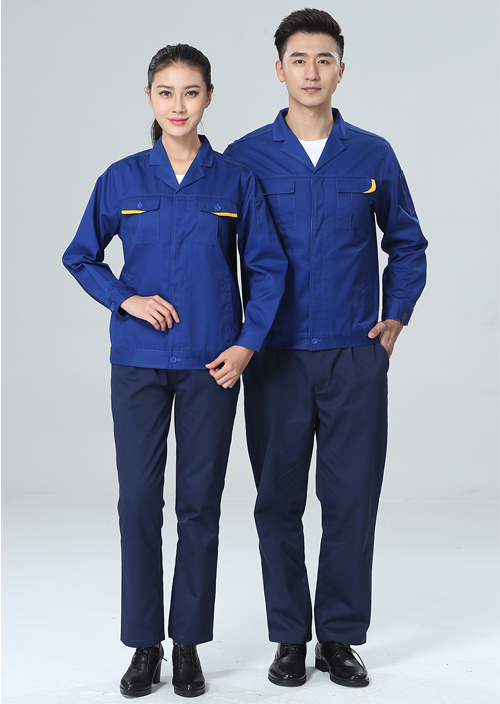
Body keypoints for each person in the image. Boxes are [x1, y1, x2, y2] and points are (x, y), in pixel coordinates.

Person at [63, 43, 287, 698]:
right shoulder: (122, 178)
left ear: (209, 97)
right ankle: (144, 645)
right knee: (137, 502)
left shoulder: (235, 180)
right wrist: (124, 299)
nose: (179, 105)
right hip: (137, 362)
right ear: (150, 98)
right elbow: (81, 256)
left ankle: (187, 643)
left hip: (212, 366)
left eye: (191, 92)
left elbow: (269, 267)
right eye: (166, 92)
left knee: (199, 505)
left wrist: (246, 345)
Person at [225, 8, 427, 689]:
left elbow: (407, 243)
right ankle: (289, 636)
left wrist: (395, 315)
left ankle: (338, 637)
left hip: (352, 357)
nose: (311, 71)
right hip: (275, 357)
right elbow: (215, 252)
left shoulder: (372, 154)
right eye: (299, 59)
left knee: (350, 502)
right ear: (278, 69)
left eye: (324, 59)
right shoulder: (246, 157)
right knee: (277, 502)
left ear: (342, 69)